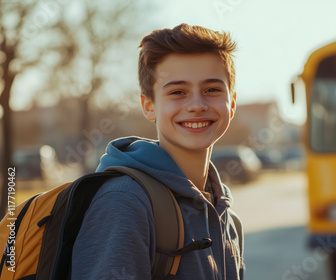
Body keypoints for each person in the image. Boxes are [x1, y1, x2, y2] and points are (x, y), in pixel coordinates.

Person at [71, 23, 244, 279]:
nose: (196, 105)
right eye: (178, 92)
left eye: (212, 89)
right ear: (149, 105)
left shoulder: (228, 220)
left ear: (231, 104)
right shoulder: (124, 203)